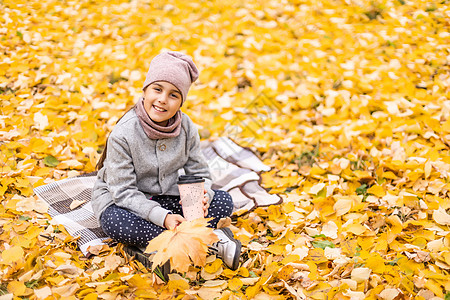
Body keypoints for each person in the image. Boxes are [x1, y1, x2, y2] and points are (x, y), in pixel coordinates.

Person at [91, 51, 241, 275]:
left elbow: (199, 171)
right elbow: (123, 192)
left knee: (223, 202)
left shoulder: (186, 126)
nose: (162, 99)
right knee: (116, 223)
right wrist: (165, 218)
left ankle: (165, 246)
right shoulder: (124, 134)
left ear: (181, 102)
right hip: (126, 202)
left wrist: (203, 197)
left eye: (173, 95)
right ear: (145, 91)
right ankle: (201, 244)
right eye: (157, 89)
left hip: (167, 197)